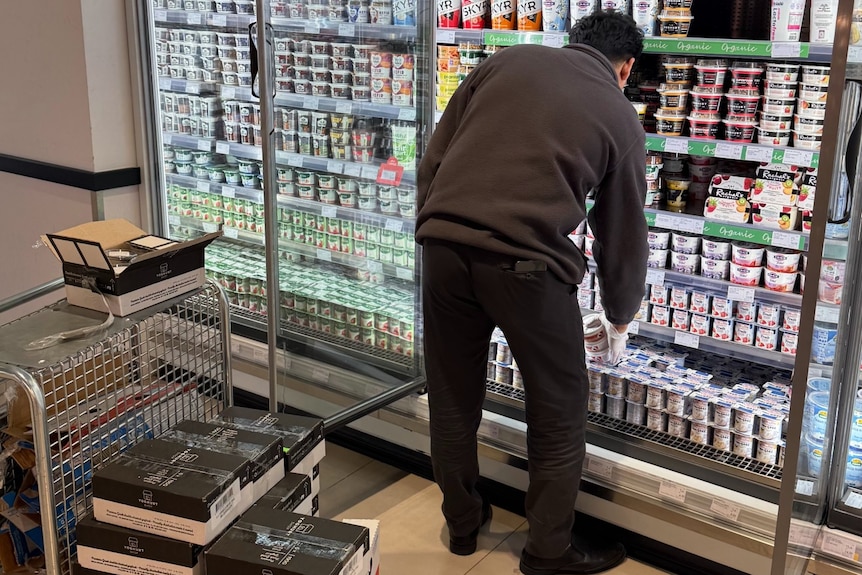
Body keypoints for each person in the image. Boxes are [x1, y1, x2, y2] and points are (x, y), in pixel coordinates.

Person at [415, 9, 649, 575]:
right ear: (627, 69)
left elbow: (435, 159)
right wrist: (620, 315)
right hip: (528, 268)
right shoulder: (621, 116)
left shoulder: (504, 62)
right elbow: (622, 235)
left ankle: (463, 525)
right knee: (558, 413)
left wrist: (434, 228)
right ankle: (548, 552)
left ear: (571, 44)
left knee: (452, 398)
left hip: (444, 249)